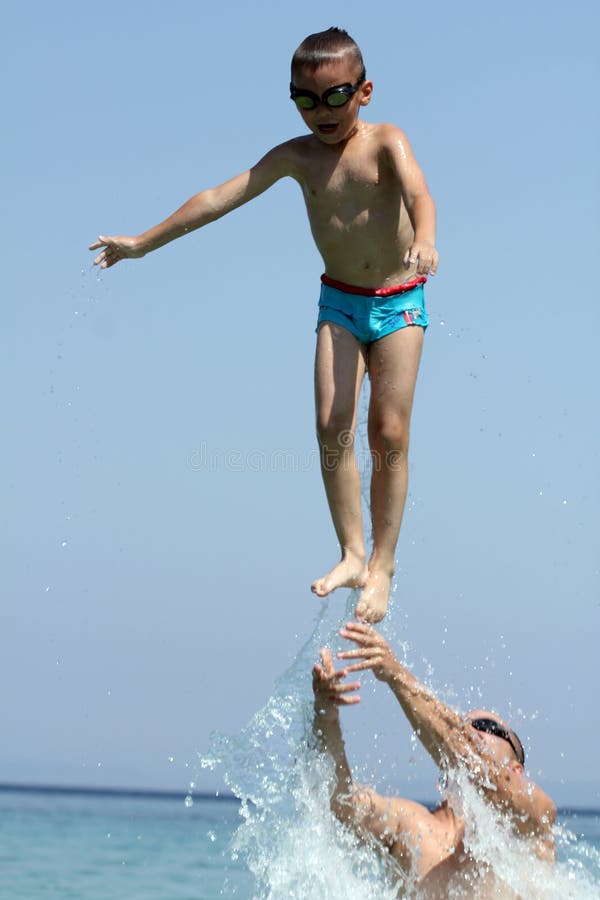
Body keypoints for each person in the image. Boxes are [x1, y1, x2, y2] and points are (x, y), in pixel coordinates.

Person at [90, 27, 438, 623]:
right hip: (340, 302)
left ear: (366, 91)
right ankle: (353, 553)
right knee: (332, 425)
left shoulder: (386, 142)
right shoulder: (295, 158)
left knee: (389, 431)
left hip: (399, 297)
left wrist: (427, 240)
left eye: (336, 97)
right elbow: (218, 197)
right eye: (306, 99)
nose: (322, 113)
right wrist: (143, 244)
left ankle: (383, 563)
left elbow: (419, 194)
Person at [312, 621, 556, 896]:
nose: (471, 732)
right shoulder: (413, 826)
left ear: (516, 769)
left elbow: (475, 767)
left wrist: (395, 673)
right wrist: (326, 716)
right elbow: (341, 805)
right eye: (463, 725)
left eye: (487, 727)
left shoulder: (532, 822)